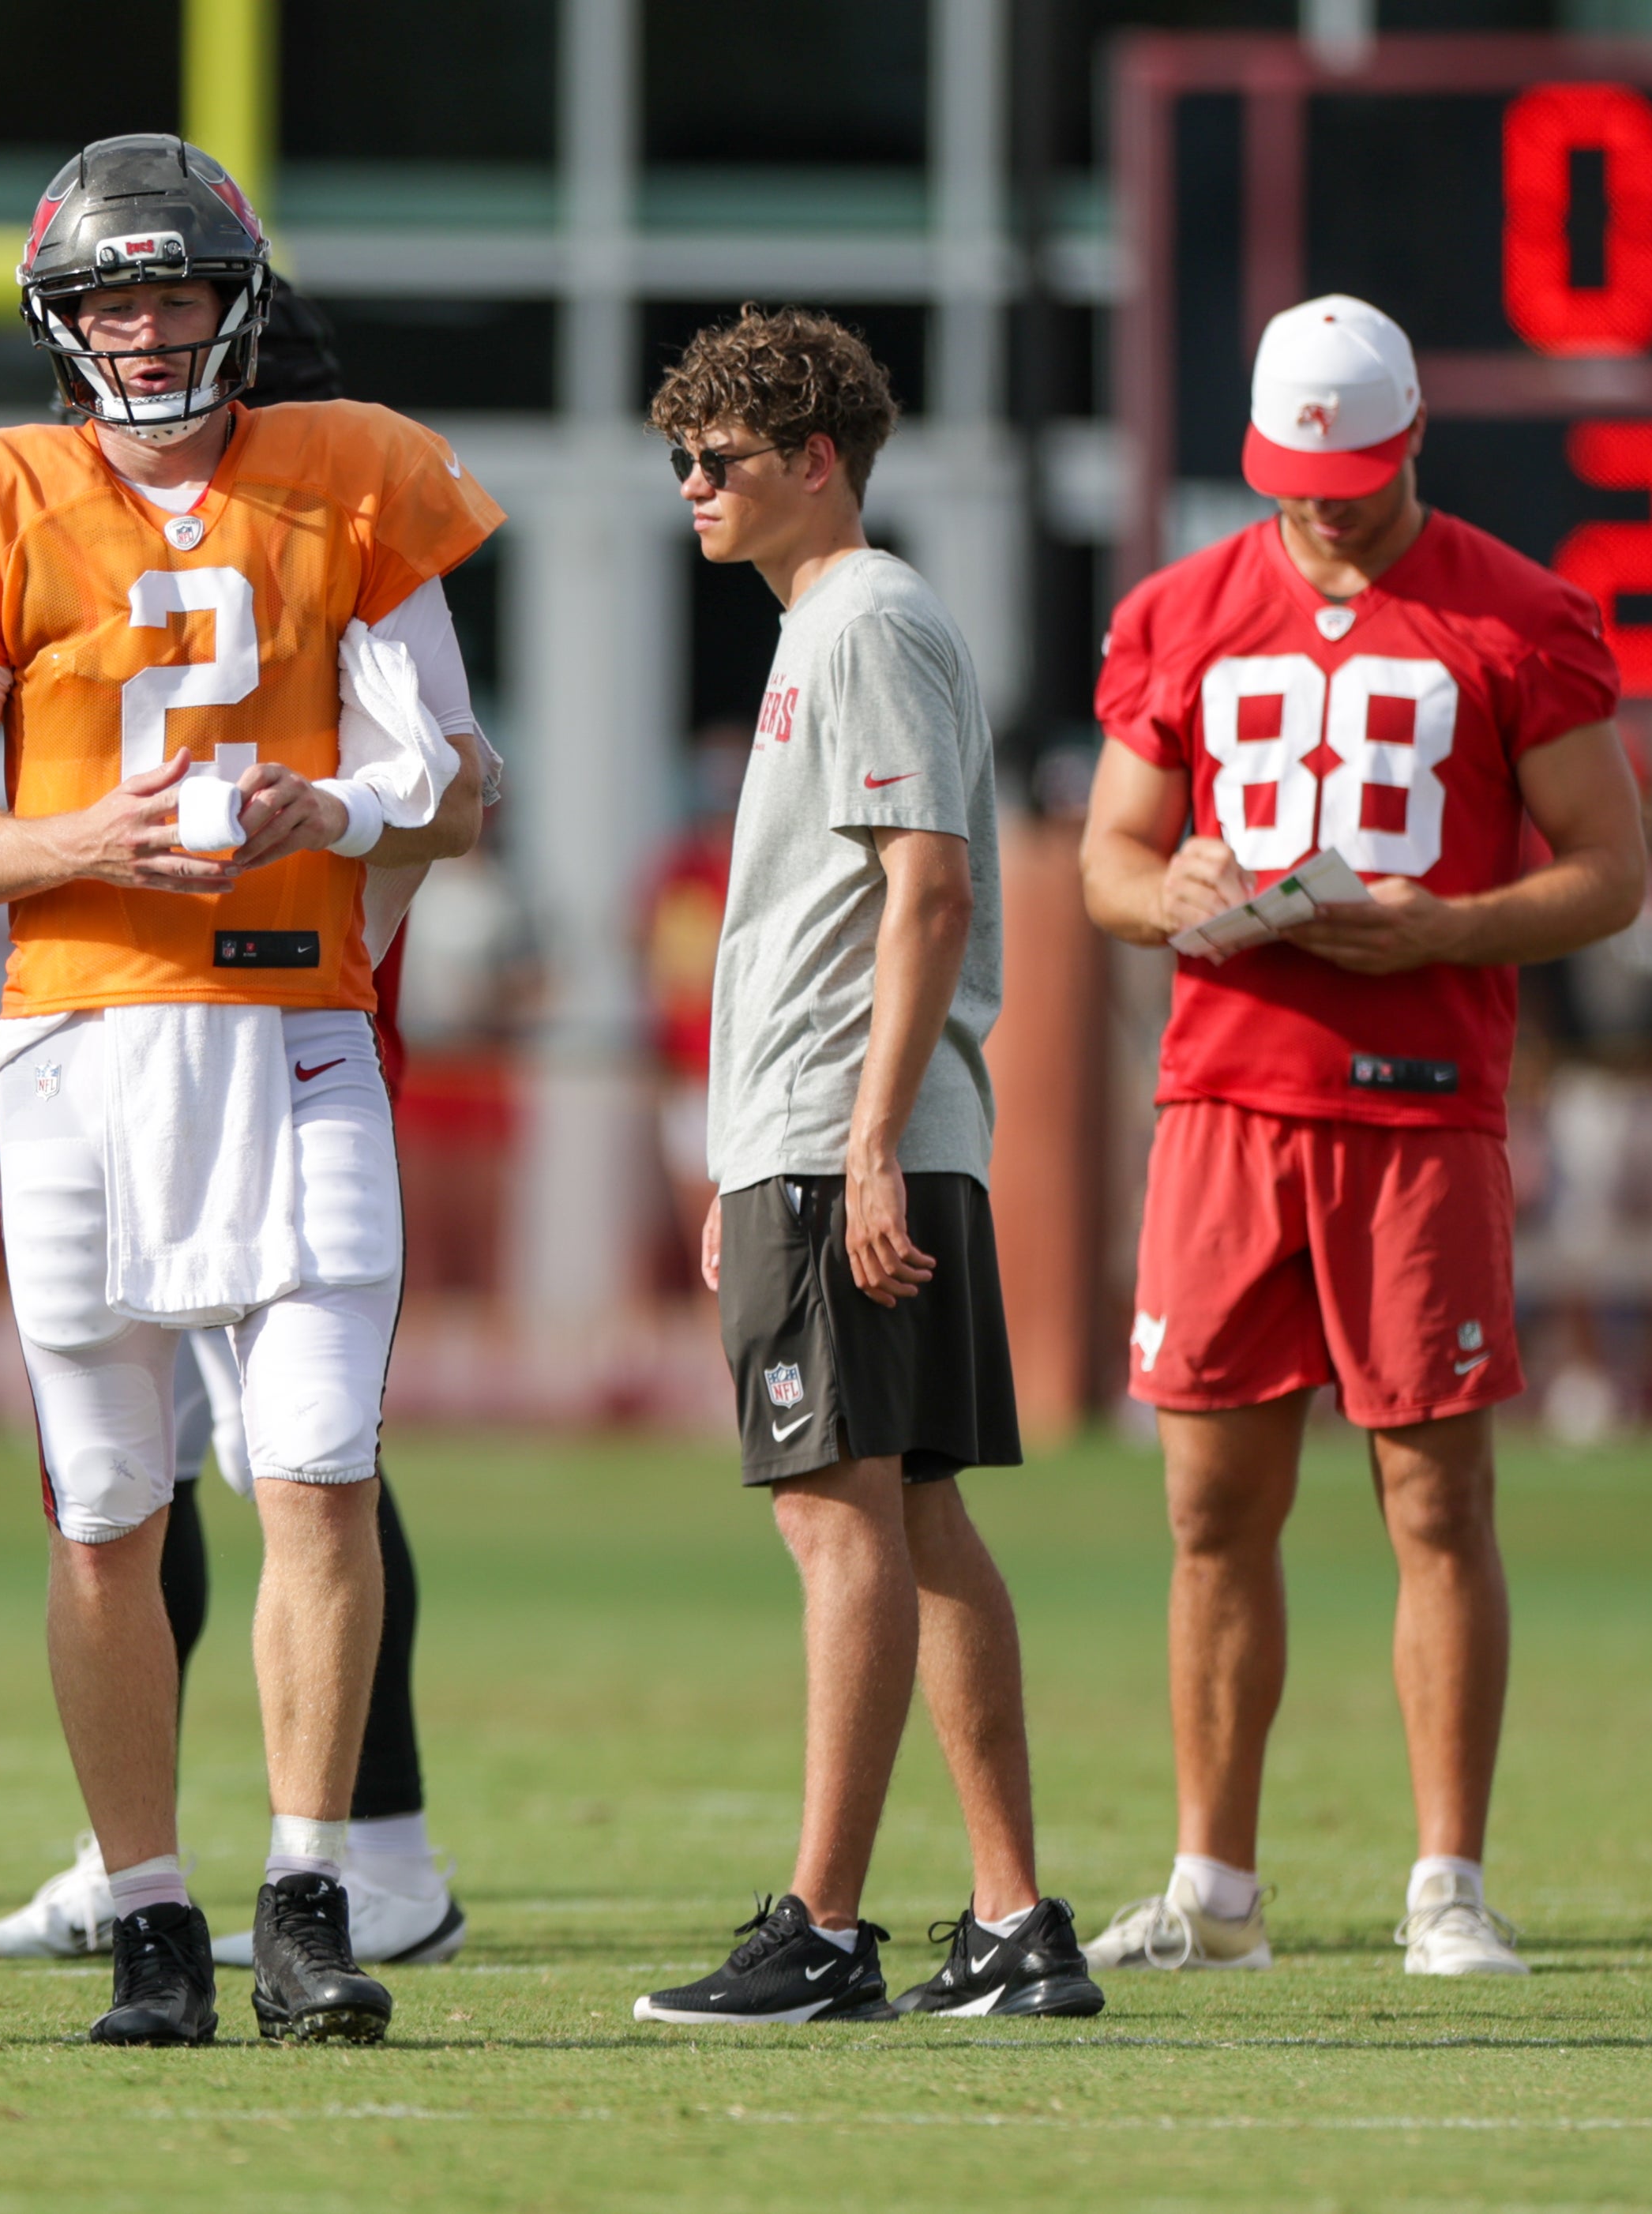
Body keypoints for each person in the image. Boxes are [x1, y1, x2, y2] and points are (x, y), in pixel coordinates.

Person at [0, 135, 498, 2047]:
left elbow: (465, 784)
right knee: (108, 1505)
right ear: (60, 321)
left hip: (297, 1028)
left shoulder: (352, 473)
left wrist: (351, 802)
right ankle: (146, 1909)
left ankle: (306, 1898)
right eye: (106, 297)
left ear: (233, 299)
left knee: (314, 1472)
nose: (141, 328)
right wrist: (87, 837)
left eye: (170, 290)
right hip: (74, 1044)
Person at [1076, 295, 1643, 1978]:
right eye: (1293, 473)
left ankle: (1443, 1881)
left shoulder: (1516, 613)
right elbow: (1111, 856)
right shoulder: (1179, 610)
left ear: (1410, 441)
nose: (1323, 502)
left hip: (1413, 1113)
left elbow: (1605, 874)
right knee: (1204, 1510)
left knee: (1434, 1499)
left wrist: (1444, 927)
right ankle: (1211, 1889)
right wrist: (1163, 890)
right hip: (1224, 1101)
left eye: (1353, 470)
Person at [633, 305, 1101, 2028]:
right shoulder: (824, 627)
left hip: (852, 1142)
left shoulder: (865, 617)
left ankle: (822, 1931)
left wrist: (864, 1140)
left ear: (813, 459)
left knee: (838, 1526)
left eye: (717, 461)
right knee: (906, 1519)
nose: (689, 487)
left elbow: (932, 888)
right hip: (821, 1136)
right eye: (677, 461)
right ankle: (1008, 1924)